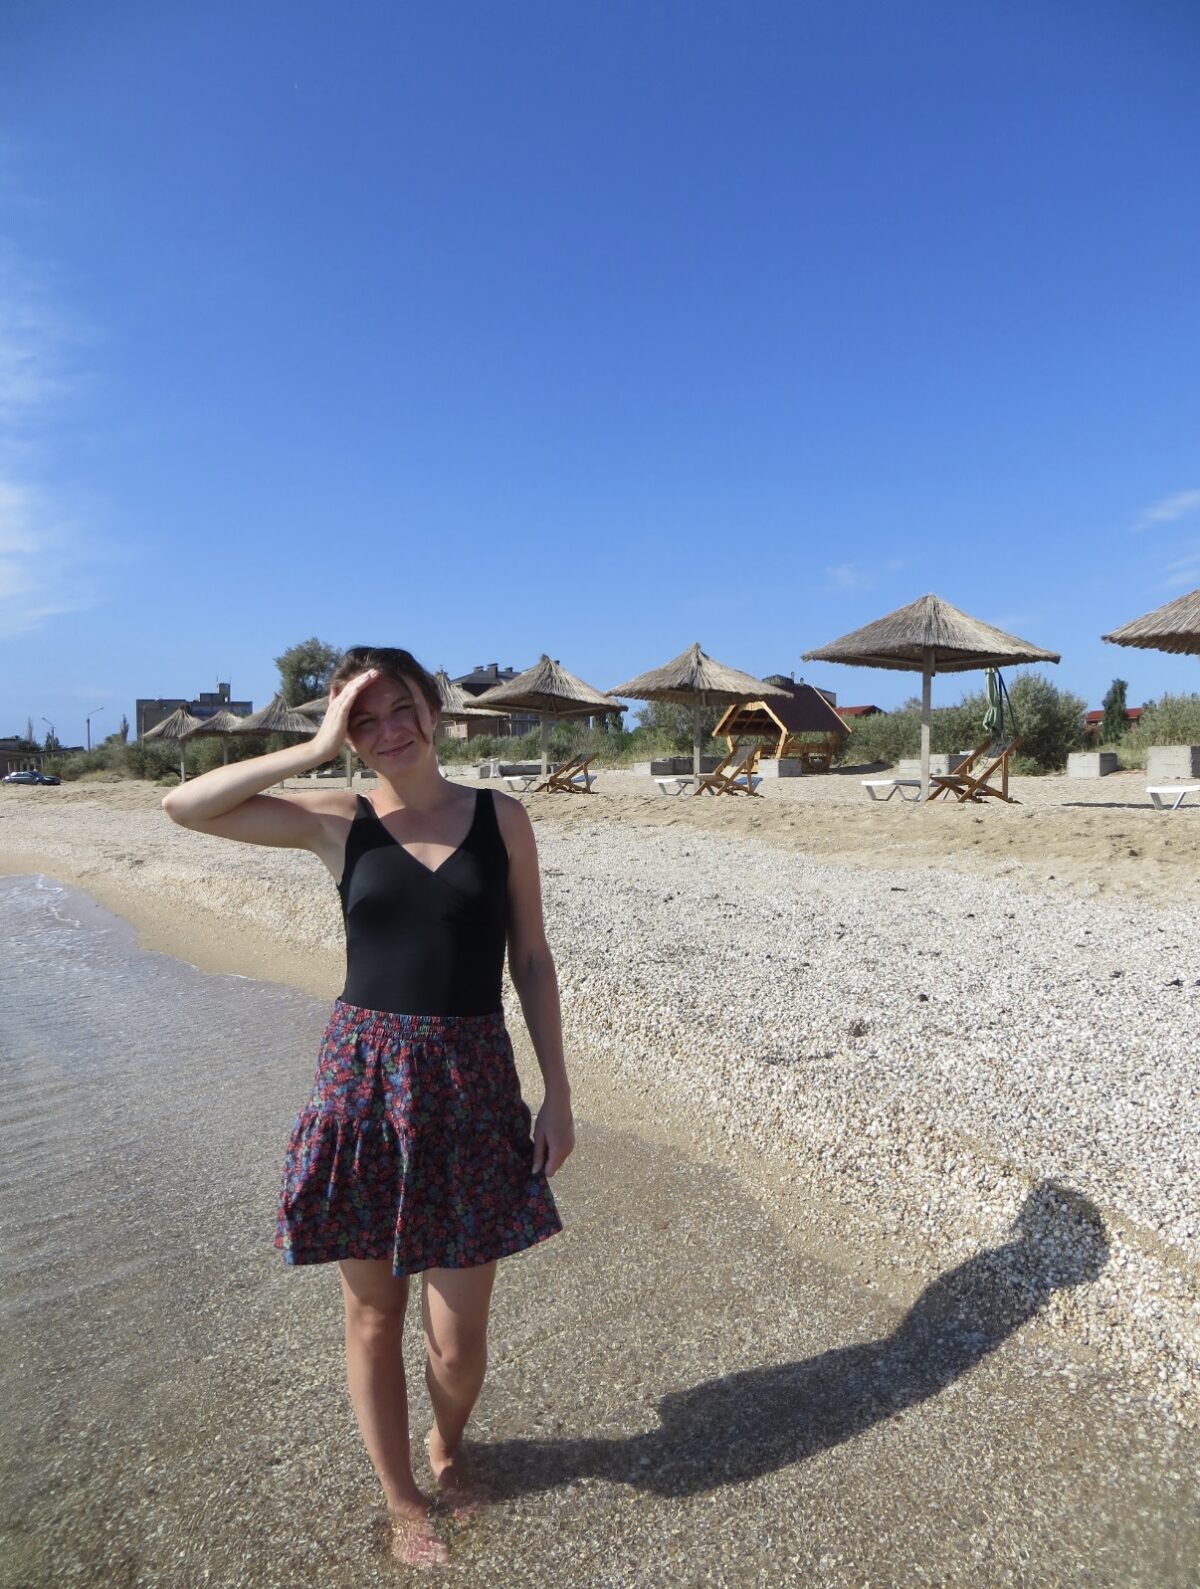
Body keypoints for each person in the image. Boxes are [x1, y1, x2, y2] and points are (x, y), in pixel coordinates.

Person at [162, 646, 574, 1566]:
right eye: (364, 719)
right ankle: (401, 1498)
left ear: (435, 708)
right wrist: (314, 747)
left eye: (401, 708)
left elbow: (532, 958)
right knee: (374, 1316)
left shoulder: (501, 818)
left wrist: (558, 1090)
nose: (388, 731)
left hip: (472, 1087)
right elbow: (184, 805)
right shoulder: (337, 820)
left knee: (458, 1341)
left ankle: (447, 1443)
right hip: (361, 1086)